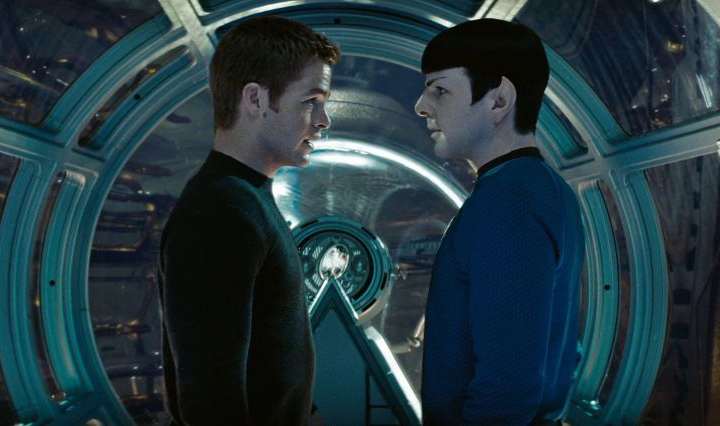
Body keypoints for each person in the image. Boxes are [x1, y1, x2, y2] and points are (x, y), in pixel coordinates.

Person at [157, 15, 339, 425]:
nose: (323, 120)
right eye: (311, 100)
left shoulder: (245, 199)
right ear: (255, 99)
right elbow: (210, 400)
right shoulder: (221, 212)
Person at [414, 19, 585, 425]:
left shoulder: (509, 200)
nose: (421, 105)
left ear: (499, 100)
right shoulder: (541, 187)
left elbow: (508, 387)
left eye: (440, 90)